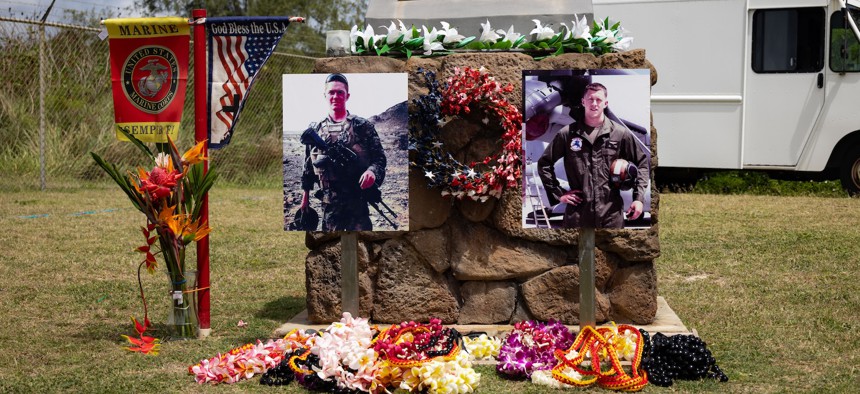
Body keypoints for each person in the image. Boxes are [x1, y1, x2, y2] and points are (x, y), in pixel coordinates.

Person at [537, 82, 648, 228]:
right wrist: (559, 193)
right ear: (583, 102)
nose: (594, 103)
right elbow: (544, 163)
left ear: (605, 103)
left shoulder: (620, 134)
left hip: (611, 214)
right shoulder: (567, 134)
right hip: (577, 215)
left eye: (599, 100)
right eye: (590, 99)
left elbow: (643, 163)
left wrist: (638, 198)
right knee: (576, 250)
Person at [299, 73, 387, 231]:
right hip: (329, 206)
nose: (335, 96)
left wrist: (372, 172)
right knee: (331, 249)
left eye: (340, 92)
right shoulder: (316, 130)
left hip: (357, 204)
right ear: (325, 95)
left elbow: (379, 159)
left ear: (347, 96)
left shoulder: (362, 126)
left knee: (361, 246)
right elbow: (307, 166)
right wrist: (305, 197)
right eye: (331, 92)